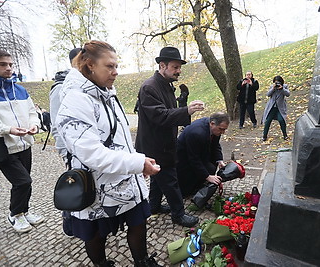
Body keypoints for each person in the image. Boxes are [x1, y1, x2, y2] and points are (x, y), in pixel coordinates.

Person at [55, 40, 162, 267]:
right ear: (90, 65)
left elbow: (119, 139)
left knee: (138, 222)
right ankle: (102, 264)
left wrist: (138, 159)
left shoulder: (106, 93)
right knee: (96, 232)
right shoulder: (75, 99)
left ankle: (142, 262)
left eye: (116, 66)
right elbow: (91, 153)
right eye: (110, 66)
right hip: (97, 184)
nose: (115, 72)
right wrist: (137, 163)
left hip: (124, 177)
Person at [135, 46, 204, 228]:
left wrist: (183, 104)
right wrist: (186, 111)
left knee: (158, 177)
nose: (179, 71)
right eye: (175, 67)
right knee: (170, 181)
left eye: (179, 67)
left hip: (164, 143)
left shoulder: (165, 85)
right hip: (155, 145)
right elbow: (160, 116)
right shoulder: (149, 87)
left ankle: (154, 206)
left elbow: (171, 111)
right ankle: (178, 214)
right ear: (163, 65)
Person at [0, 48, 44, 233]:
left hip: (25, 144)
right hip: (4, 147)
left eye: (10, 64)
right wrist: (9, 130)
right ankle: (14, 214)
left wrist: (34, 126)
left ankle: (24, 211)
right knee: (23, 182)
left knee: (25, 181)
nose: (8, 68)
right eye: (2, 64)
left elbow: (32, 112)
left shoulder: (20, 89)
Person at [176, 112, 230, 197]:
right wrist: (207, 177)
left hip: (199, 152)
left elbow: (215, 145)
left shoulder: (215, 129)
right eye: (221, 129)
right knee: (185, 192)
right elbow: (194, 159)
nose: (223, 132)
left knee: (211, 167)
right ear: (212, 124)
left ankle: (198, 184)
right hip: (184, 158)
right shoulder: (197, 133)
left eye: (224, 129)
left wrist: (219, 160)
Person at [49, 48, 81, 161]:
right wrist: (65, 153)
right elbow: (56, 123)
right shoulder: (60, 88)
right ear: (73, 62)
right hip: (72, 152)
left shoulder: (89, 85)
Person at [261, 75, 290, 141]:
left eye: (278, 83)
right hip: (271, 108)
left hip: (280, 108)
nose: (277, 84)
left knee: (281, 120)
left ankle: (285, 135)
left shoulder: (284, 87)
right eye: (276, 83)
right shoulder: (272, 87)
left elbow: (288, 94)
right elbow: (268, 94)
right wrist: (273, 88)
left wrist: (282, 89)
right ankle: (264, 136)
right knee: (268, 121)